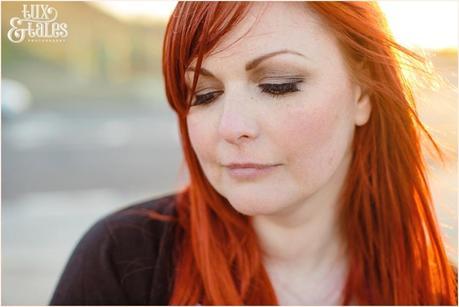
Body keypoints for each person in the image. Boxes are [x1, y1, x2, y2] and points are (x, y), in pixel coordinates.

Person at [50, 2, 457, 305]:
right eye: (204, 95)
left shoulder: (441, 290)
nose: (231, 127)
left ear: (362, 93)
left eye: (278, 85)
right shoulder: (125, 260)